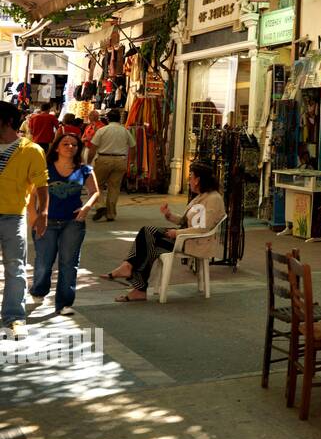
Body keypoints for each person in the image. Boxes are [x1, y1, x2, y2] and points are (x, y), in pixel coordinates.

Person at [101, 162, 223, 302]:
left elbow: (203, 228)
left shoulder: (213, 199)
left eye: (191, 177)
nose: (189, 181)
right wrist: (169, 215)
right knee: (149, 242)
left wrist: (176, 233)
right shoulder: (200, 196)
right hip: (185, 237)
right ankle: (135, 283)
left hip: (194, 241)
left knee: (148, 234)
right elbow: (185, 221)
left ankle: (130, 272)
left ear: (198, 179)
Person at [30, 132, 98, 316]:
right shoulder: (45, 168)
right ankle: (38, 290)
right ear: (57, 147)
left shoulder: (85, 170)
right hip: (47, 221)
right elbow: (32, 195)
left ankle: (64, 303)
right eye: (66, 144)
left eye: (74, 145)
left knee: (69, 262)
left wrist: (87, 207)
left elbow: (94, 192)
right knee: (44, 261)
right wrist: (33, 217)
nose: (70, 147)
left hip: (73, 222)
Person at [0, 101, 49, 339]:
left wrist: (43, 213)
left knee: (15, 267)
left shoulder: (30, 150)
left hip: (13, 215)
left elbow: (42, 185)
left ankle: (14, 317)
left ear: (7, 121)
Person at [86, 108, 135, 221]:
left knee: (96, 184)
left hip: (104, 159)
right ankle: (111, 214)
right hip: (120, 160)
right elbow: (133, 147)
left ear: (107, 119)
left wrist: (88, 162)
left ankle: (100, 206)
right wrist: (131, 162)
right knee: (114, 187)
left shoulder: (102, 130)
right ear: (119, 118)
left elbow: (93, 148)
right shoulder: (125, 131)